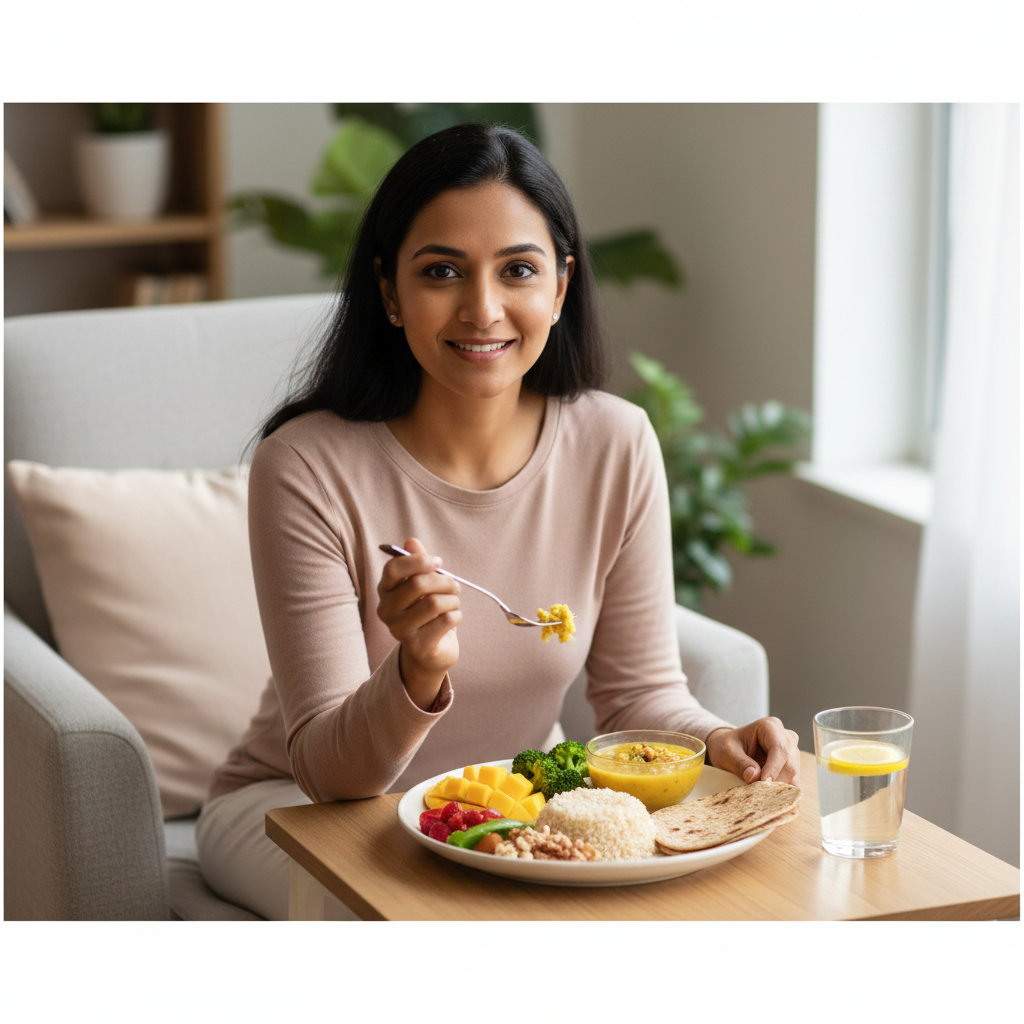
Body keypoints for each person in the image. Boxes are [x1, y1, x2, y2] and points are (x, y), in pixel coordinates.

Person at [196, 122, 800, 920]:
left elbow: (638, 695)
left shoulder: (616, 443)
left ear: (560, 286)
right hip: (299, 810)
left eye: (518, 270)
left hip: (504, 807)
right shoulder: (307, 464)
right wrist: (415, 670)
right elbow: (330, 774)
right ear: (389, 291)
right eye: (441, 271)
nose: (482, 309)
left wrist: (716, 740)